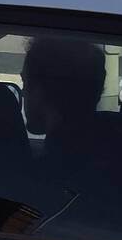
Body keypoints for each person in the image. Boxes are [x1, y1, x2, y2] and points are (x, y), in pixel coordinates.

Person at [21, 36, 106, 167]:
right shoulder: (110, 160)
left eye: (25, 82)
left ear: (39, 91)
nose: (22, 92)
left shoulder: (36, 178)